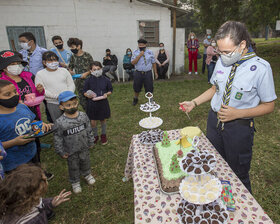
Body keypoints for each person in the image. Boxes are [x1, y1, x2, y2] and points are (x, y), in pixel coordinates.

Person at [179, 21, 277, 193]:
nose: (222, 56)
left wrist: (237, 113)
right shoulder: (222, 61)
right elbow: (214, 89)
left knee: (238, 175)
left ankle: (243, 213)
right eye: (219, 51)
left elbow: (269, 105)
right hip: (214, 122)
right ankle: (217, 201)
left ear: (242, 45)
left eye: (226, 52)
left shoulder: (261, 68)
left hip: (238, 128)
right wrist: (193, 102)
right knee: (213, 165)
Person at [0, 50, 54, 180]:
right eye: (13, 63)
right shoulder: (3, 82)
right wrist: (15, 142)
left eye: (18, 63)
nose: (17, 66)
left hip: (28, 115)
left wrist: (41, 124)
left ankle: (39, 172)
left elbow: (36, 98)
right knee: (22, 183)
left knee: (35, 149)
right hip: (13, 160)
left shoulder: (28, 76)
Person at [0, 80, 51, 173]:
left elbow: (32, 120)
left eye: (15, 92)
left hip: (31, 152)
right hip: (13, 162)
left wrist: (40, 124)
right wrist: (14, 142)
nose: (14, 96)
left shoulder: (22, 107)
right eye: (7, 94)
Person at [54, 91, 96, 193]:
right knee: (73, 166)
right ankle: (75, 181)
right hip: (70, 151)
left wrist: (91, 141)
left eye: (74, 103)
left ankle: (87, 174)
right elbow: (57, 137)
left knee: (85, 161)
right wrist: (61, 151)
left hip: (84, 147)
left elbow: (89, 129)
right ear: (61, 107)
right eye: (68, 105)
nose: (72, 106)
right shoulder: (60, 122)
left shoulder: (83, 116)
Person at [0, 164, 71, 223]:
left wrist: (51, 203)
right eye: (44, 180)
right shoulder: (35, 220)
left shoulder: (13, 201)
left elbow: (38, 203)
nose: (46, 180)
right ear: (35, 193)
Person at [35, 51, 75, 122]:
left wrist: (68, 95)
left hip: (68, 100)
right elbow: (42, 90)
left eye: (55, 60)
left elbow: (71, 84)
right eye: (50, 60)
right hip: (53, 103)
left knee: (72, 120)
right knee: (58, 122)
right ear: (44, 62)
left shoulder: (64, 71)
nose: (54, 62)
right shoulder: (40, 74)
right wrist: (56, 96)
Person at [84, 61, 113, 145]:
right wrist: (87, 95)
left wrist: (106, 94)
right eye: (94, 69)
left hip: (102, 102)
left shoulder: (106, 80)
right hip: (92, 103)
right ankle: (95, 136)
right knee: (93, 121)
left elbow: (110, 90)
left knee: (102, 119)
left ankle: (103, 135)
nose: (96, 71)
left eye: (98, 69)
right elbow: (84, 91)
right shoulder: (88, 80)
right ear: (91, 71)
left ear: (101, 69)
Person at [67, 37, 94, 111]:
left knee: (91, 98)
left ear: (78, 46)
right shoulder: (73, 57)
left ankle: (94, 114)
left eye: (72, 47)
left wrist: (87, 73)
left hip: (89, 81)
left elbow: (93, 68)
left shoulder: (87, 55)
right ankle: (88, 114)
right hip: (79, 83)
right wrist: (70, 71)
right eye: (70, 48)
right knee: (82, 101)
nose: (71, 49)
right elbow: (70, 67)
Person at [131, 39, 158, 106]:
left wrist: (155, 72)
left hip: (148, 73)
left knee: (149, 87)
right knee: (136, 87)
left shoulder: (150, 52)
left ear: (145, 45)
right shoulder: (135, 52)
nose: (141, 46)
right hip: (138, 73)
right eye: (139, 45)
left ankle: (150, 100)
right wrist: (140, 55)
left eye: (142, 45)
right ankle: (135, 99)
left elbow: (153, 62)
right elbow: (133, 62)